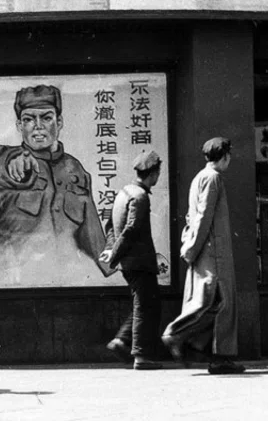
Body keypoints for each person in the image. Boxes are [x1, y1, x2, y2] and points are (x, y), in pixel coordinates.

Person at [0, 85, 112, 286]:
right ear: (19, 126)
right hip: (7, 283)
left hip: (61, 282)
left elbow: (92, 236)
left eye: (46, 118)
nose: (37, 126)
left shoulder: (75, 169)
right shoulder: (3, 158)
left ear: (59, 122)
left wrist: (116, 269)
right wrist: (16, 160)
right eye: (28, 119)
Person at [162, 137, 245, 375]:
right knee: (221, 303)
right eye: (229, 155)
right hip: (214, 253)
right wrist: (191, 249)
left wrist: (190, 247)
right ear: (225, 156)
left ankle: (202, 348)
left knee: (212, 303)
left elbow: (193, 216)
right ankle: (179, 336)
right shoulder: (214, 178)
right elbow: (203, 217)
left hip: (205, 251)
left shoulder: (200, 177)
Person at [100, 149, 163, 371]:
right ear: (153, 173)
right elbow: (131, 230)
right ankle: (142, 355)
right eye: (158, 172)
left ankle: (122, 341)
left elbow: (109, 225)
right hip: (139, 263)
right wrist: (114, 255)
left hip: (130, 263)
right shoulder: (140, 197)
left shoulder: (124, 192)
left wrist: (111, 250)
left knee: (144, 304)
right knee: (146, 306)